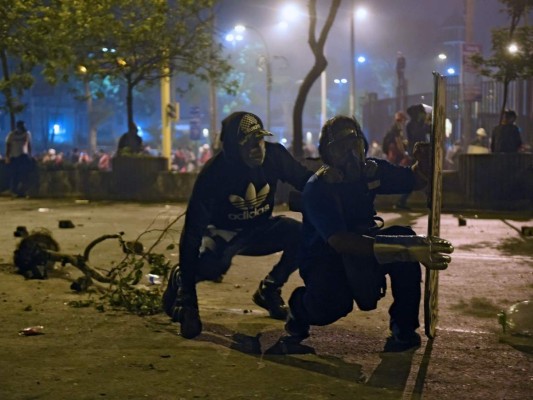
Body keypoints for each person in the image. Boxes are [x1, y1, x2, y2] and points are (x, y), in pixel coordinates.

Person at [284, 115, 454, 352]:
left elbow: (412, 180)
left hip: (366, 242)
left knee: (403, 242)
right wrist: (405, 247)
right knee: (332, 307)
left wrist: (424, 165)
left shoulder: (371, 171)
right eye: (342, 147)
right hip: (326, 258)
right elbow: (340, 241)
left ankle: (403, 328)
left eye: (355, 144)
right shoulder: (319, 187)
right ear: (329, 154)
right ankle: (299, 308)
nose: (352, 153)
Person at [162, 111, 314, 339]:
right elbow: (192, 232)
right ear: (234, 148)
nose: (258, 148)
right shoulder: (214, 173)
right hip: (223, 232)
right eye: (249, 143)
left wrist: (334, 182)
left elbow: (307, 181)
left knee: (303, 235)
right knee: (211, 265)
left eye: (260, 139)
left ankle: (270, 289)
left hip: (260, 228)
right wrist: (188, 300)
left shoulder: (275, 156)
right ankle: (181, 278)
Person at [383, 111, 411, 209]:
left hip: (393, 155)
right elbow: (398, 142)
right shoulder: (397, 129)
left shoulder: (393, 128)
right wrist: (405, 153)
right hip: (395, 155)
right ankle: (401, 201)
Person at [5, 120, 33, 197]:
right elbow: (8, 145)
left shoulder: (26, 134)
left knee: (24, 174)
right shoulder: (12, 135)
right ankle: (15, 191)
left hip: (23, 156)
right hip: (14, 156)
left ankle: (23, 191)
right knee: (15, 175)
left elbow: (29, 145)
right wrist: (7, 156)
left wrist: (30, 154)